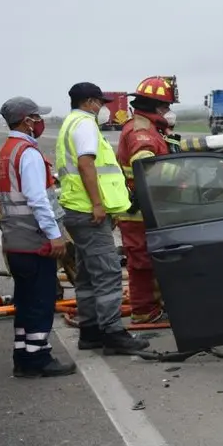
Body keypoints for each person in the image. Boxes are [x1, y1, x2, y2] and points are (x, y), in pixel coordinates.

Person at [56, 82, 148, 354]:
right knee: (108, 272)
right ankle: (112, 333)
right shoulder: (84, 124)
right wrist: (98, 204)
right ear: (88, 102)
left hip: (76, 208)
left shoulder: (70, 123)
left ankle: (91, 332)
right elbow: (86, 164)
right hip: (87, 211)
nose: (104, 108)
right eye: (100, 102)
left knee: (87, 275)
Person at [0, 97, 76, 377]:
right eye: (36, 117)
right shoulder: (26, 152)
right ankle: (37, 359)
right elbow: (37, 199)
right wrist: (55, 235)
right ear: (26, 121)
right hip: (34, 241)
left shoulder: (7, 151)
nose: (40, 122)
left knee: (26, 301)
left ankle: (23, 355)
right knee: (40, 302)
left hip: (16, 241)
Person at [116, 76, 180, 326]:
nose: (167, 112)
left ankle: (154, 306)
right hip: (139, 211)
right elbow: (146, 168)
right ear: (154, 106)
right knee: (143, 263)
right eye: (165, 107)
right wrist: (181, 173)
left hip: (147, 208)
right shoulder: (141, 132)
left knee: (151, 260)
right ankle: (144, 311)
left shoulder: (147, 127)